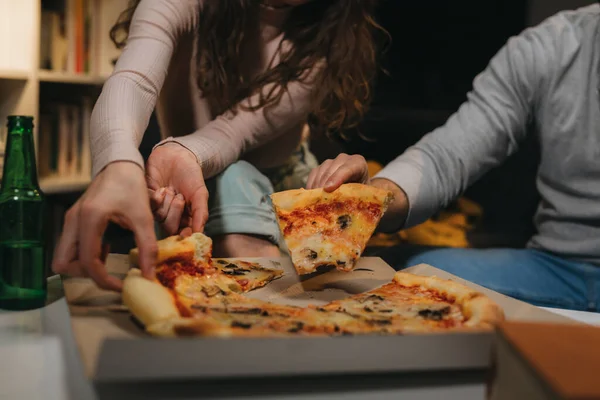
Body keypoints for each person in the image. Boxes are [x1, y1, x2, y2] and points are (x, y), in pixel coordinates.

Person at [51, 0, 386, 291]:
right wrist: (117, 165)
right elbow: (133, 80)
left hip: (283, 184)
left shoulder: (325, 39)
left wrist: (180, 153)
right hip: (187, 178)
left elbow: (232, 133)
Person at [307, 4, 600, 312]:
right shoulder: (551, 45)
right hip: (557, 268)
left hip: (554, 269)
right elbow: (446, 157)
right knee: (393, 271)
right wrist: (367, 199)